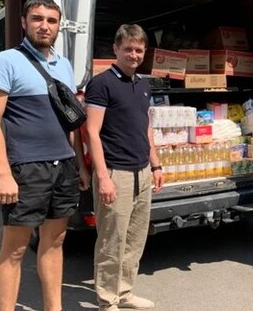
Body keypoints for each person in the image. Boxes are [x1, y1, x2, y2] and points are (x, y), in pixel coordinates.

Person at [0, 0, 91, 311]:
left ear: (58, 26)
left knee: (55, 242)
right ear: (24, 22)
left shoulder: (64, 64)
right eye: (37, 18)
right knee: (14, 250)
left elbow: (71, 121)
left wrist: (81, 166)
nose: (45, 26)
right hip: (27, 169)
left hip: (64, 167)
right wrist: (3, 174)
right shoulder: (5, 62)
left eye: (51, 21)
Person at [85, 24, 164, 311]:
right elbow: (92, 132)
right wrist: (103, 176)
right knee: (111, 240)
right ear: (115, 49)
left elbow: (146, 128)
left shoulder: (142, 84)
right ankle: (107, 300)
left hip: (142, 171)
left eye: (139, 50)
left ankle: (125, 292)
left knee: (134, 238)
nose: (133, 54)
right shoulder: (101, 83)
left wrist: (156, 165)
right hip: (115, 173)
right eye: (128, 48)